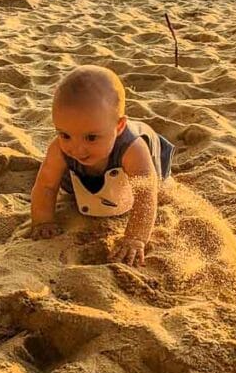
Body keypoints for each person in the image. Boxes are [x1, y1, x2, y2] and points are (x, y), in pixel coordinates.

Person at [30, 65, 174, 267]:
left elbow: (145, 195)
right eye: (65, 135)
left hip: (140, 159)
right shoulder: (60, 149)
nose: (77, 149)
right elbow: (46, 185)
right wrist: (43, 221)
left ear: (119, 126)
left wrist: (135, 238)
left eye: (91, 137)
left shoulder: (133, 148)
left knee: (158, 185)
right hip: (85, 175)